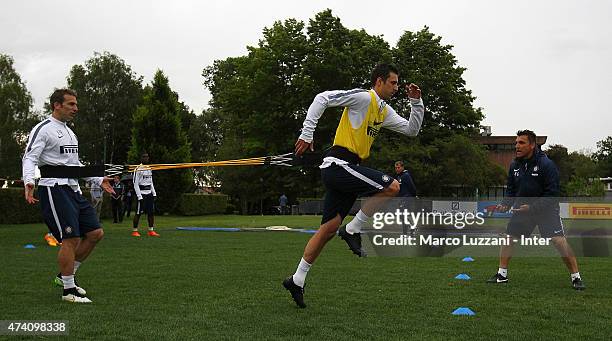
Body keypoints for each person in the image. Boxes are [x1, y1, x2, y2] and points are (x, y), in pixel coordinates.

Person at [283, 63, 425, 308]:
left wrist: (416, 103)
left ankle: (297, 279)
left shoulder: (384, 111)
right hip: (338, 165)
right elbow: (322, 98)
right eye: (393, 83)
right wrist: (307, 133)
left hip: (348, 168)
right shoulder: (362, 97)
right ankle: (352, 229)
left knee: (327, 229)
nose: (397, 87)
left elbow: (412, 130)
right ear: (379, 82)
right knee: (392, 187)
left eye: (397, 83)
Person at [22, 88, 114, 303]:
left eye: (76, 104)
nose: (76, 108)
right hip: (54, 189)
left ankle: (64, 277)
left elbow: (75, 166)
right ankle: (68, 291)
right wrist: (29, 181)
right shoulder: (43, 129)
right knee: (70, 238)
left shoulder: (70, 133)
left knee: (95, 233)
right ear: (57, 105)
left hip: (73, 189)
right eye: (71, 104)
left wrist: (99, 179)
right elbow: (29, 158)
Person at [487, 130, 586, 290]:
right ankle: (501, 275)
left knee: (558, 241)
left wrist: (532, 208)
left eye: (521, 143)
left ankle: (576, 277)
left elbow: (552, 194)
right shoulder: (514, 165)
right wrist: (506, 203)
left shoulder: (546, 164)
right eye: (516, 143)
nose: (516, 146)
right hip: (522, 210)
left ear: (532, 145)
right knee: (508, 238)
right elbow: (511, 190)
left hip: (546, 210)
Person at [132, 153, 159, 237]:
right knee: (138, 213)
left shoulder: (149, 168)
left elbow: (151, 182)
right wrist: (139, 196)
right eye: (144, 157)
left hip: (149, 193)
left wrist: (154, 193)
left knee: (151, 213)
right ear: (141, 158)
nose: (146, 158)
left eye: (147, 157)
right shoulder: (138, 169)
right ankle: (135, 231)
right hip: (142, 193)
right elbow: (135, 184)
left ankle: (151, 230)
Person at [394, 160, 417, 234]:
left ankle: (406, 232)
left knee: (402, 215)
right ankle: (411, 228)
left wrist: (414, 195)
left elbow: (412, 187)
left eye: (398, 167)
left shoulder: (406, 175)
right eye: (396, 167)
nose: (397, 169)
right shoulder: (399, 176)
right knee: (401, 216)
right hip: (402, 199)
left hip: (407, 198)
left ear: (402, 167)